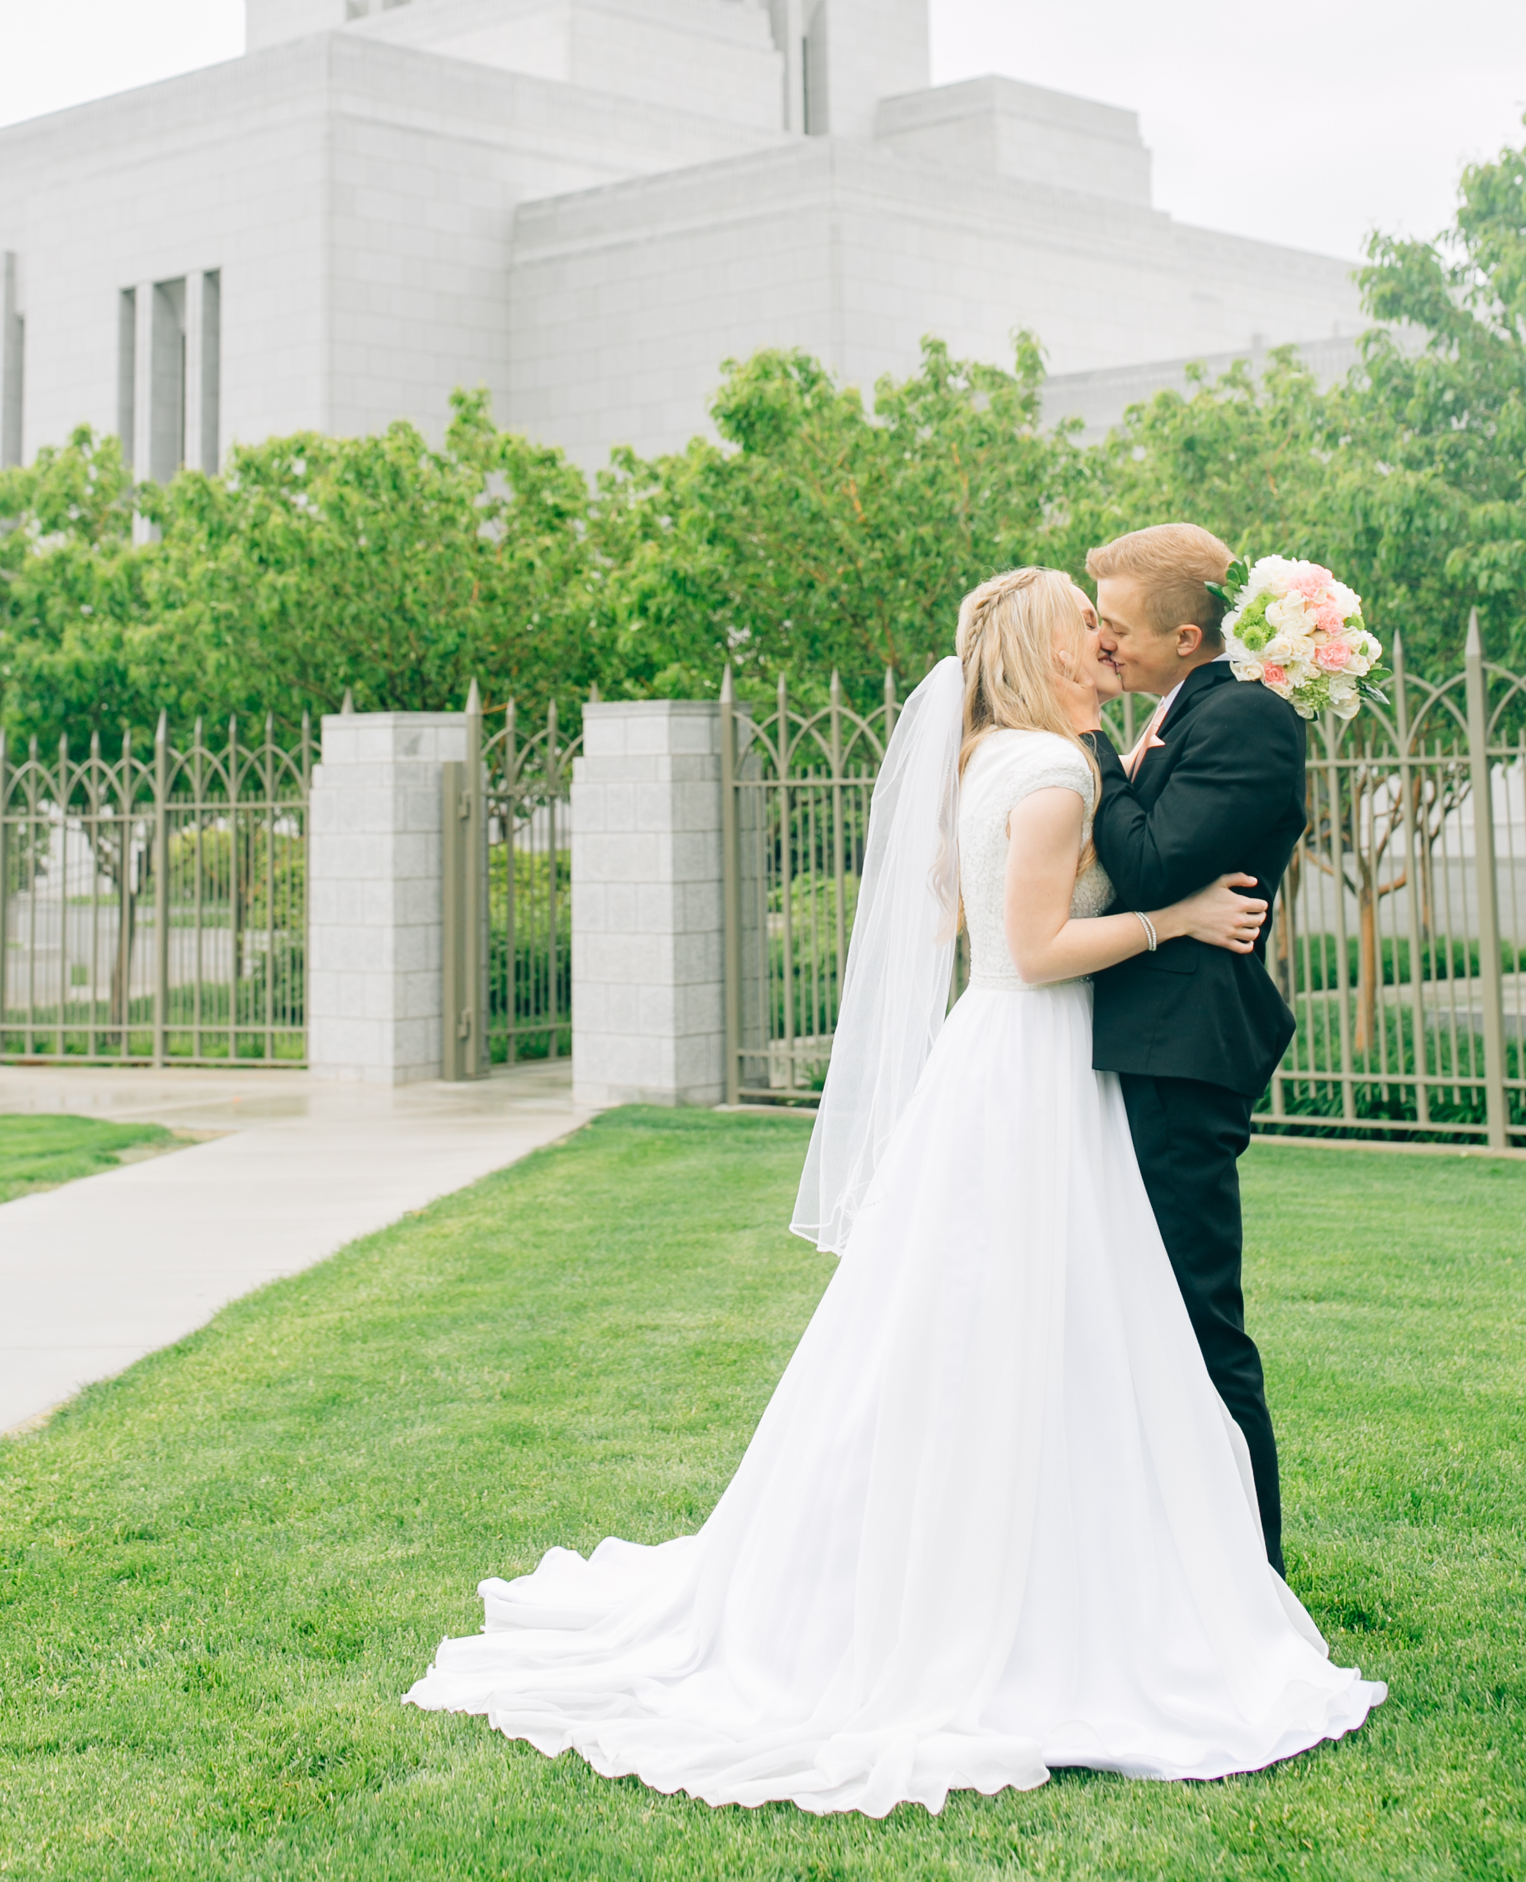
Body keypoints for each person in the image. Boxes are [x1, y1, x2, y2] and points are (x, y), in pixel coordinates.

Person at [403, 567, 1382, 1816]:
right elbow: (1030, 955)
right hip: (1030, 1066)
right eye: (1080, 629)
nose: (1099, 641)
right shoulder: (1047, 774)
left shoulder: (997, 758)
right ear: (1041, 649)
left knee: (999, 1329)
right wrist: (1175, 918)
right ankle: (1053, 1591)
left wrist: (1119, 770)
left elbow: (969, 917)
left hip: (1003, 1068)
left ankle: (1053, 1560)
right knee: (1035, 1324)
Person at [1084, 523, 1303, 1576]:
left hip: (1180, 1055)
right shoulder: (1176, 718)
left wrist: (1085, 745)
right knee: (1125, 1323)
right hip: (1129, 1041)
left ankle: (1248, 1579)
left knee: (1193, 1318)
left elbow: (1148, 864)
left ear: (1184, 634)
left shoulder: (1246, 720)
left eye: (1115, 628)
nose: (1100, 645)